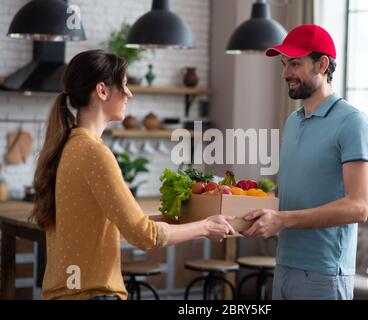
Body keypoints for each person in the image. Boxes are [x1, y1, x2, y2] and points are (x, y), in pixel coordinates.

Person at [30, 49, 236, 300]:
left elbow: (116, 224)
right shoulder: (94, 153)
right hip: (91, 294)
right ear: (102, 91)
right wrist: (205, 227)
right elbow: (144, 236)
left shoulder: (67, 146)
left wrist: (180, 218)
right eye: (124, 85)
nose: (129, 94)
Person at [242, 24, 368, 300]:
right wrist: (244, 210)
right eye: (284, 64)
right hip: (285, 264)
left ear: (322, 64)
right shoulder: (293, 121)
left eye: (295, 64)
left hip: (324, 274)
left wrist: (283, 220)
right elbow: (290, 194)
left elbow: (359, 206)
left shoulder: (352, 122)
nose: (285, 73)